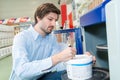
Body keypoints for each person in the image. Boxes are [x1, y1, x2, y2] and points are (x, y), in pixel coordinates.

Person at [9, 3, 95, 80]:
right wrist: (58, 57)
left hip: (41, 76)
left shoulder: (51, 38)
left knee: (68, 76)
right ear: (38, 18)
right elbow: (22, 71)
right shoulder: (21, 38)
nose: (54, 24)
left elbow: (58, 65)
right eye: (50, 19)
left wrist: (83, 60)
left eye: (55, 20)